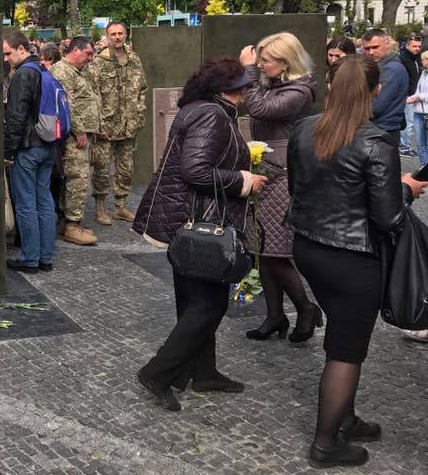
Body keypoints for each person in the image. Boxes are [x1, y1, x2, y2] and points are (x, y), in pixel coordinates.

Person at [287, 55, 425, 468]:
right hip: (353, 258)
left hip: (309, 248)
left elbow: (299, 187)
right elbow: (387, 217)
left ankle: (344, 416)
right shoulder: (375, 141)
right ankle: (326, 444)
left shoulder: (304, 129)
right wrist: (406, 191)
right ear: (376, 91)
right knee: (346, 351)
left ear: (330, 87)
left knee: (343, 338)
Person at [133, 59, 266, 412]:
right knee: (208, 304)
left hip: (189, 219)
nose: (247, 90)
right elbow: (195, 170)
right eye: (242, 85)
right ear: (225, 90)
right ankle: (158, 373)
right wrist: (243, 180)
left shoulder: (200, 108)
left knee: (195, 301)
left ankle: (204, 372)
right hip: (201, 220)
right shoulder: (213, 115)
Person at [238, 33, 321, 342]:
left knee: (276, 252)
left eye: (265, 60)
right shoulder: (275, 85)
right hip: (265, 172)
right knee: (261, 250)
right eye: (258, 59)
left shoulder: (300, 90)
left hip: (283, 176)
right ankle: (274, 315)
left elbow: (259, 109)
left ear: (285, 61)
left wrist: (247, 71)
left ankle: (305, 307)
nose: (259, 64)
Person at [4, 30, 57, 273]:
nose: (6, 59)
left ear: (22, 48)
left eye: (8, 53)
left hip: (27, 148)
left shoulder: (22, 75)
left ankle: (30, 258)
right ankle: (45, 257)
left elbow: (16, 117)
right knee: (45, 201)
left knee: (26, 204)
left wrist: (8, 151)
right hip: (48, 145)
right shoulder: (43, 70)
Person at [91, 22, 148, 224]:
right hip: (107, 125)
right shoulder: (99, 62)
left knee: (126, 168)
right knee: (102, 169)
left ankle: (120, 206)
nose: (117, 37)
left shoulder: (134, 59)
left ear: (126, 35)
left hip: (128, 125)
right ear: (107, 37)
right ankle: (100, 209)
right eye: (113, 34)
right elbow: (93, 94)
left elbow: (142, 88)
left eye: (120, 33)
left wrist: (139, 112)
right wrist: (98, 125)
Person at [50, 37, 99, 246]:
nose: (90, 58)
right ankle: (72, 225)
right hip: (72, 137)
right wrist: (79, 131)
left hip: (79, 134)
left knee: (73, 179)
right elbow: (66, 105)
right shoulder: (62, 71)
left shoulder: (76, 71)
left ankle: (66, 222)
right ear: (76, 51)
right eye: (88, 54)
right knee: (78, 179)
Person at [360, 28, 408, 144]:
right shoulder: (383, 67)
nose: (371, 52)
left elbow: (375, 107)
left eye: (375, 47)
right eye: (367, 48)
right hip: (379, 131)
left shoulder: (390, 69)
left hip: (382, 132)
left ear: (387, 44)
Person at [398, 34, 422, 155]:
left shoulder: (416, 58)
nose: (417, 48)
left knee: (412, 123)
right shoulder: (403, 59)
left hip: (415, 94)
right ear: (407, 46)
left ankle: (405, 145)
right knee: (408, 122)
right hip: (407, 95)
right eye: (414, 46)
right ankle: (404, 147)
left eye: (419, 46)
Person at [407, 50, 428, 166]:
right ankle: (424, 168)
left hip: (426, 112)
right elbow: (418, 91)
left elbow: (422, 94)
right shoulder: (424, 73)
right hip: (418, 113)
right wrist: (412, 97)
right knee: (420, 144)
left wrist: (419, 97)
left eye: (423, 59)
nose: (421, 61)